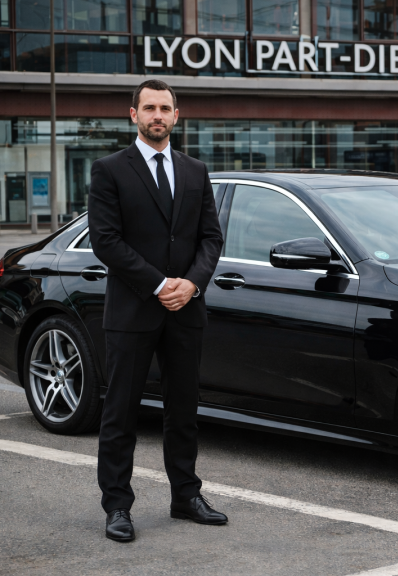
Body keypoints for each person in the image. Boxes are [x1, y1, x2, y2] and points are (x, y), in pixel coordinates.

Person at [89, 79, 225, 542]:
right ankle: (117, 506)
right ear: (134, 114)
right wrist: (160, 283)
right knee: (121, 412)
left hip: (186, 309)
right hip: (133, 311)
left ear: (176, 115)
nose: (157, 116)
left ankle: (186, 496)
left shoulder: (195, 170)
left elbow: (211, 238)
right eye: (149, 108)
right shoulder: (110, 170)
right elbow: (106, 241)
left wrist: (192, 283)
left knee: (183, 410)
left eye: (165, 108)